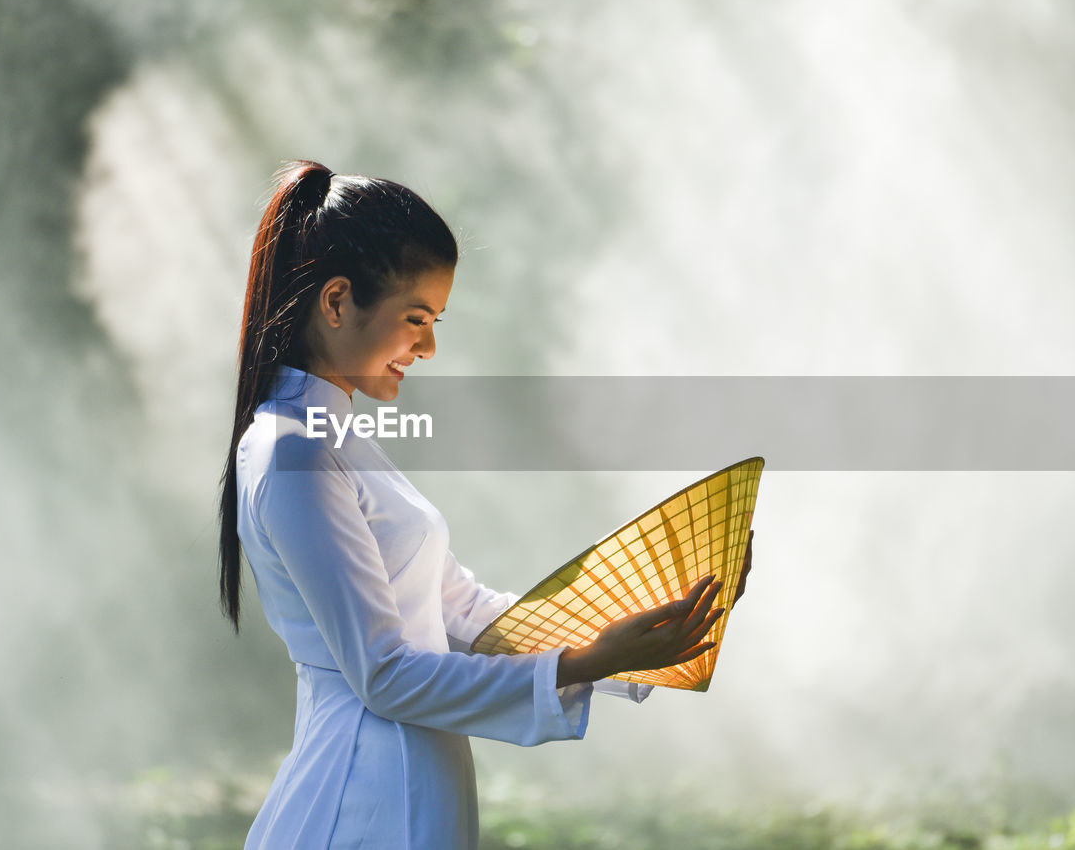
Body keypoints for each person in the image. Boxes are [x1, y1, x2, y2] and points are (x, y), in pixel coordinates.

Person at [217, 160, 750, 850]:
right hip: (361, 803)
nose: (429, 347)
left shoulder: (332, 440)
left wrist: (648, 621)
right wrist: (587, 662)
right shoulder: (297, 453)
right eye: (416, 319)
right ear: (338, 301)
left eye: (435, 321)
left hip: (405, 785)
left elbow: (463, 613)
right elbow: (383, 677)